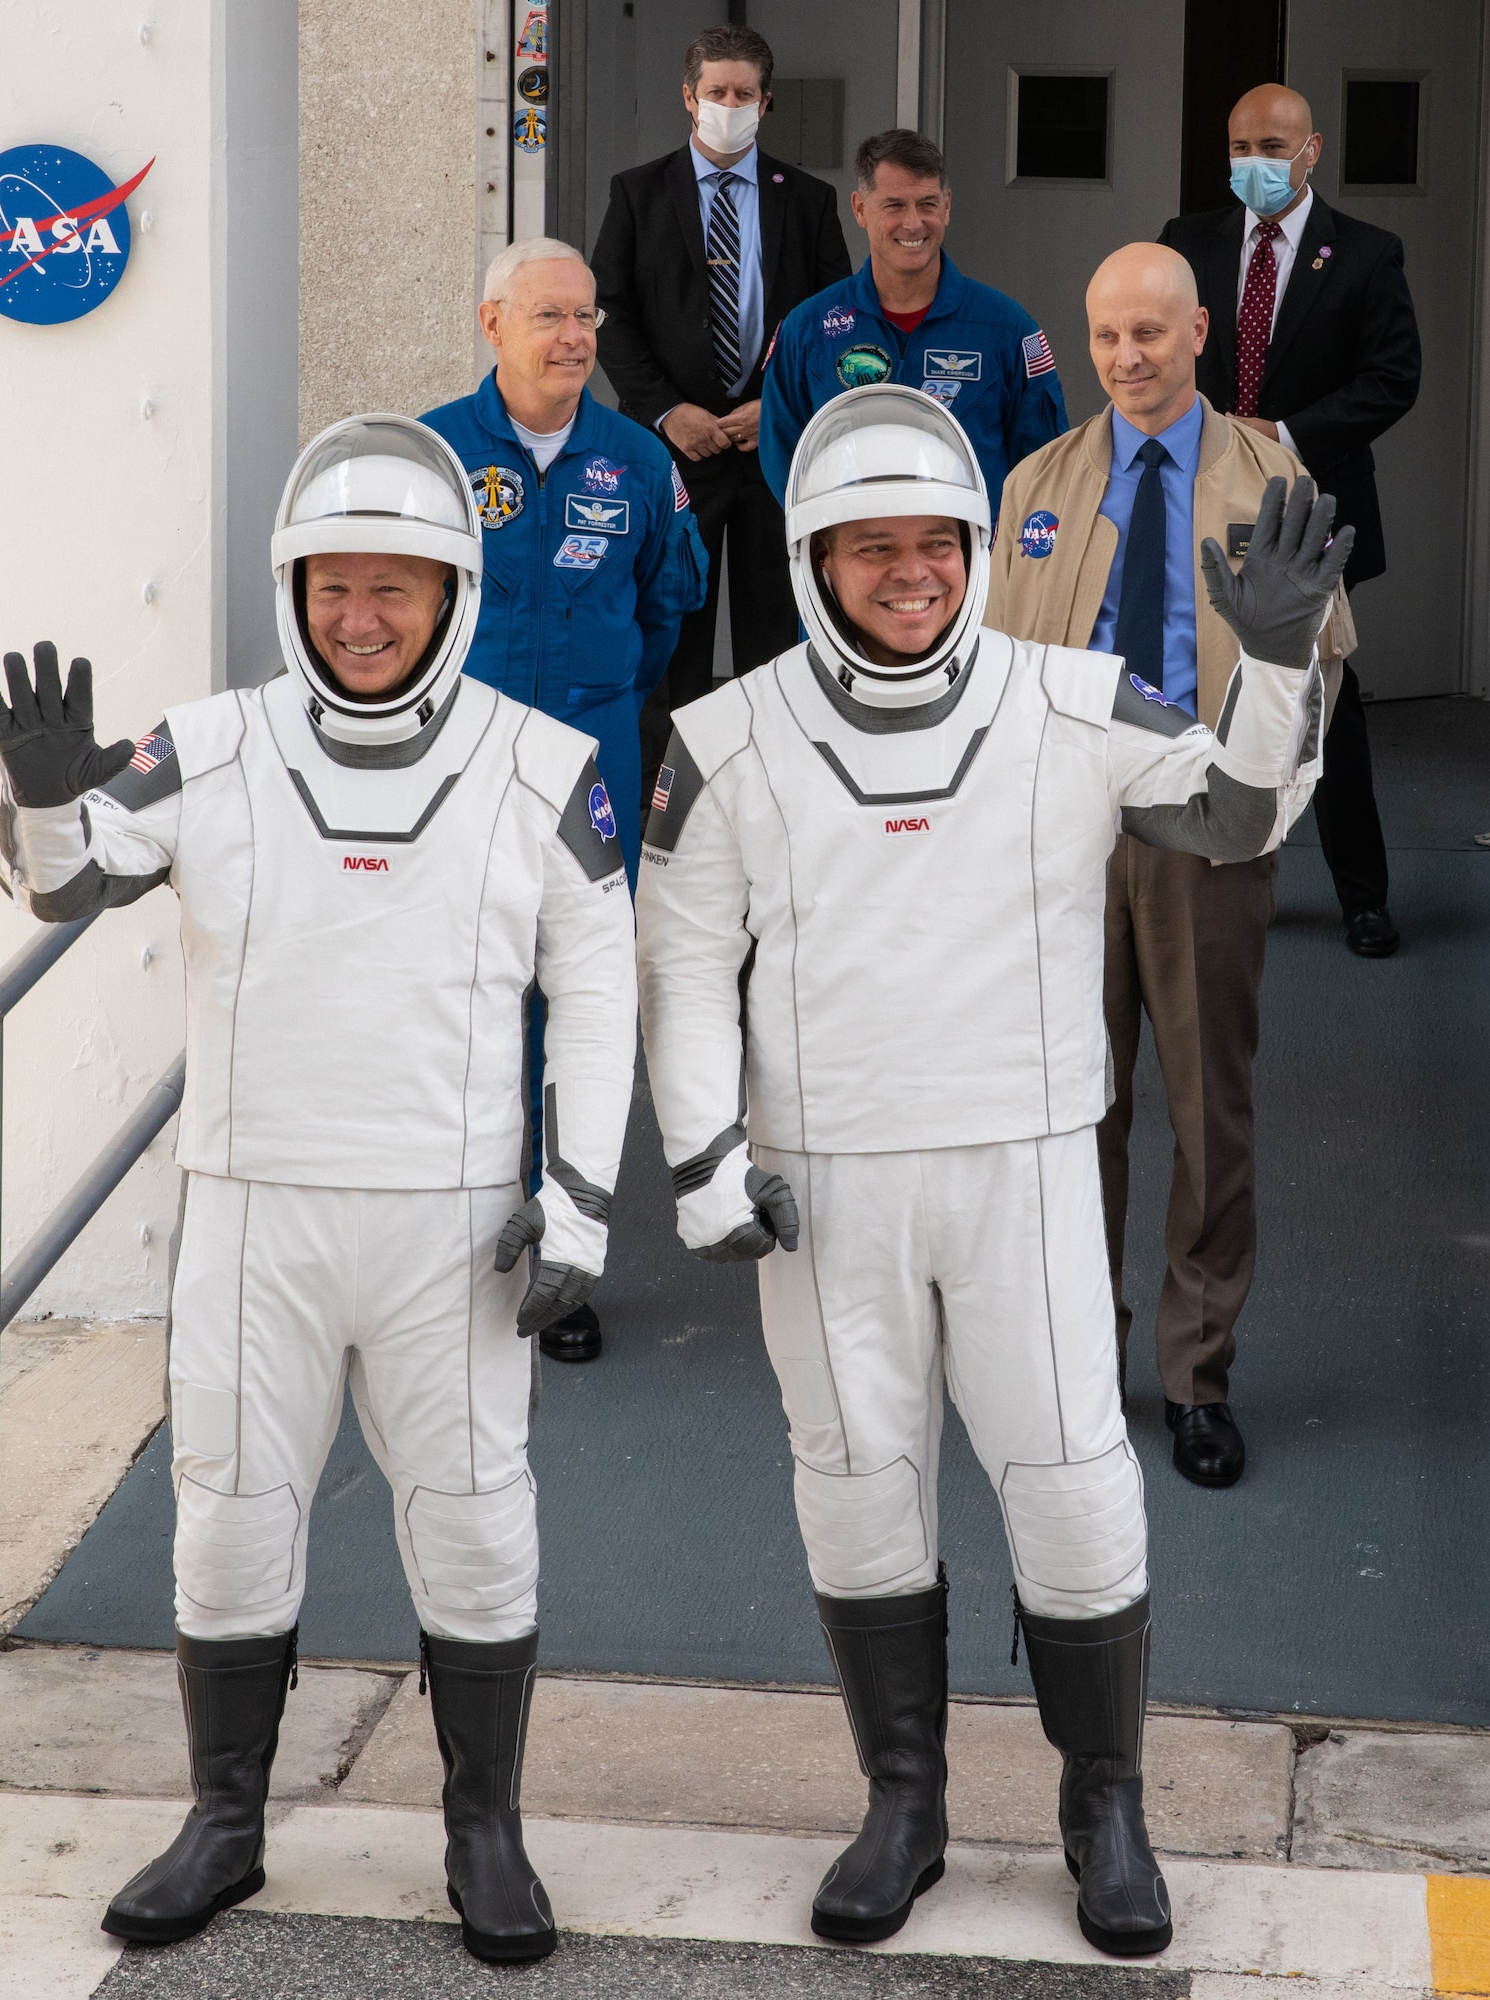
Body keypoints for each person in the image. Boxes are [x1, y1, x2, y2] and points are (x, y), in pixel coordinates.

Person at [636, 383, 1349, 1956]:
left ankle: (1106, 1803)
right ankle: (903, 1800)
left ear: (975, 545)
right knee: (854, 1486)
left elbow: (1232, 818)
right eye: (869, 548)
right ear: (813, 557)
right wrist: (699, 1155)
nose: (909, 574)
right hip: (823, 1189)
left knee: (1074, 1484)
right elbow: (680, 965)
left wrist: (1278, 665)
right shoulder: (724, 736)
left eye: (936, 544)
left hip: (1023, 1170)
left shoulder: (1075, 698)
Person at [0, 416, 638, 1965]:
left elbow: (601, 981)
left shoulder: (542, 768)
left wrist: (586, 1198)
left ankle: (485, 1834)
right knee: (225, 1526)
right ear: (293, 589)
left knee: (477, 1526)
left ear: (452, 596)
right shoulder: (203, 748)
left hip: (453, 1223)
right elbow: (64, 885)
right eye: (334, 585)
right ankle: (225, 1823)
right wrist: (40, 803)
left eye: (394, 589)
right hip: (253, 1210)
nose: (361, 617)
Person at [986, 244, 1354, 1490]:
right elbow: (989, 676)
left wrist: (1267, 799)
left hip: (1205, 831)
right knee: (1070, 1113)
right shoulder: (1038, 480)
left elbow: (1321, 666)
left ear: (1199, 329)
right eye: (1104, 338)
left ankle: (1198, 1379)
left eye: (1150, 333)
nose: (1127, 359)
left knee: (1209, 1113)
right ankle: (1082, 1363)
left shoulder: (1271, 469)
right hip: (1066, 842)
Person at [428, 237, 706, 1364]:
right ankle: (455, 1243)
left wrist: (596, 701)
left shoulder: (637, 460)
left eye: (587, 315)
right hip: (458, 774)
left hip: (587, 778)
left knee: (577, 1013)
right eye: (550, 315)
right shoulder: (432, 452)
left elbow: (666, 608)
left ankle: (564, 1252)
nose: (576, 336)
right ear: (490, 324)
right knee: (465, 1008)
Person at [1159, 84, 1421, 959]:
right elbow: (1153, 351)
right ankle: (1196, 877)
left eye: (1271, 148)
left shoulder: (1365, 253)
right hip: (1198, 497)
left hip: (1311, 502)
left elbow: (1393, 377)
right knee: (1196, 687)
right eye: (1238, 147)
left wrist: (1286, 433)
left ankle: (1362, 898)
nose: (1253, 165)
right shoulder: (1184, 242)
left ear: (1311, 151)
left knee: (1323, 703)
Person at [590, 22, 852, 809]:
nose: (728, 107)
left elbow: (835, 321)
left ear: (765, 103)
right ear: (687, 98)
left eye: (743, 95)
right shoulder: (637, 192)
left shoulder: (806, 201)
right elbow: (611, 311)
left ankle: (774, 796)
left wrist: (773, 404)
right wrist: (666, 412)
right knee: (675, 630)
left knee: (778, 631)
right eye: (715, 93)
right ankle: (664, 801)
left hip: (770, 449)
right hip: (678, 455)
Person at [758, 128, 1068, 523]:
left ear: (947, 207)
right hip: (854, 566)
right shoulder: (808, 330)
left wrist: (999, 557)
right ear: (859, 209)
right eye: (894, 205)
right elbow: (783, 458)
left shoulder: (1007, 329)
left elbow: (1043, 466)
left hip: (972, 569)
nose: (913, 223)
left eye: (927, 204)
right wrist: (831, 543)